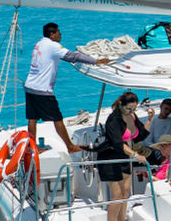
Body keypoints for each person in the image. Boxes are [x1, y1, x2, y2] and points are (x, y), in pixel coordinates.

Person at [24, 22, 111, 153]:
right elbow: (73, 56)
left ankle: (32, 147)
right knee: (57, 119)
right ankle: (70, 147)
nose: (61, 35)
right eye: (59, 32)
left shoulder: (40, 43)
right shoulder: (53, 45)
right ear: (52, 34)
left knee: (32, 118)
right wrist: (95, 61)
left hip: (30, 86)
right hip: (42, 90)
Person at [96, 91, 150, 221]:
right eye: (129, 109)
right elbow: (118, 143)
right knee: (117, 195)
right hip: (110, 157)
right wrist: (135, 155)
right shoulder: (113, 119)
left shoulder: (132, 116)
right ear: (121, 105)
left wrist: (150, 119)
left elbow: (140, 135)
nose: (132, 112)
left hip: (124, 157)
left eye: (134, 109)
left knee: (125, 194)